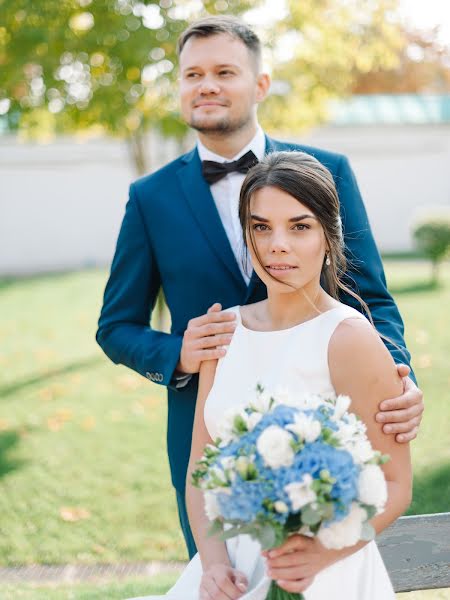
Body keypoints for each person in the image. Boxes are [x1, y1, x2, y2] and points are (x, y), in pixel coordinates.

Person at [96, 15, 423, 561]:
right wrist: (179, 351)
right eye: (192, 74)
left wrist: (394, 380)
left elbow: (371, 296)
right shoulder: (150, 196)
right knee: (223, 577)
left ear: (261, 85)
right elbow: (115, 326)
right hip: (212, 436)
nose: (206, 85)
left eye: (224, 71)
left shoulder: (328, 170)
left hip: (328, 426)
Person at [129, 151, 412, 599]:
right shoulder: (224, 332)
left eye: (299, 226)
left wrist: (318, 554)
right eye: (261, 227)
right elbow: (200, 471)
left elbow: (396, 485)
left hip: (325, 573)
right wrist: (215, 565)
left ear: (328, 235)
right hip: (232, 573)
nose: (277, 244)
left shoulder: (350, 338)